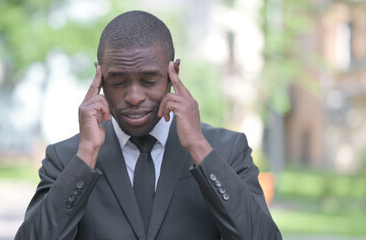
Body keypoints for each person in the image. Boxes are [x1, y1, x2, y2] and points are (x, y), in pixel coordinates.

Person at [15, 10, 282, 240]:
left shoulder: (226, 149)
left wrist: (199, 148)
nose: (133, 97)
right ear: (100, 77)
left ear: (172, 74)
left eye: (149, 81)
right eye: (118, 82)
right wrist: (86, 156)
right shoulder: (66, 158)